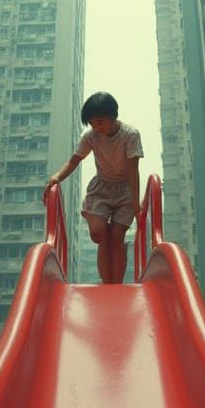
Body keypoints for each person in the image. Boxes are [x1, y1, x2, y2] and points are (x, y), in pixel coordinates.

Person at [43, 91, 143, 284]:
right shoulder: (91, 137)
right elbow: (75, 160)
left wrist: (136, 204)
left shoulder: (130, 135)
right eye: (92, 123)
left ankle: (115, 285)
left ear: (113, 116)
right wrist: (57, 177)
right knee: (99, 234)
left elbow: (133, 171)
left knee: (116, 237)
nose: (96, 126)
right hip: (102, 189)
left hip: (125, 190)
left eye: (100, 121)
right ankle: (107, 280)